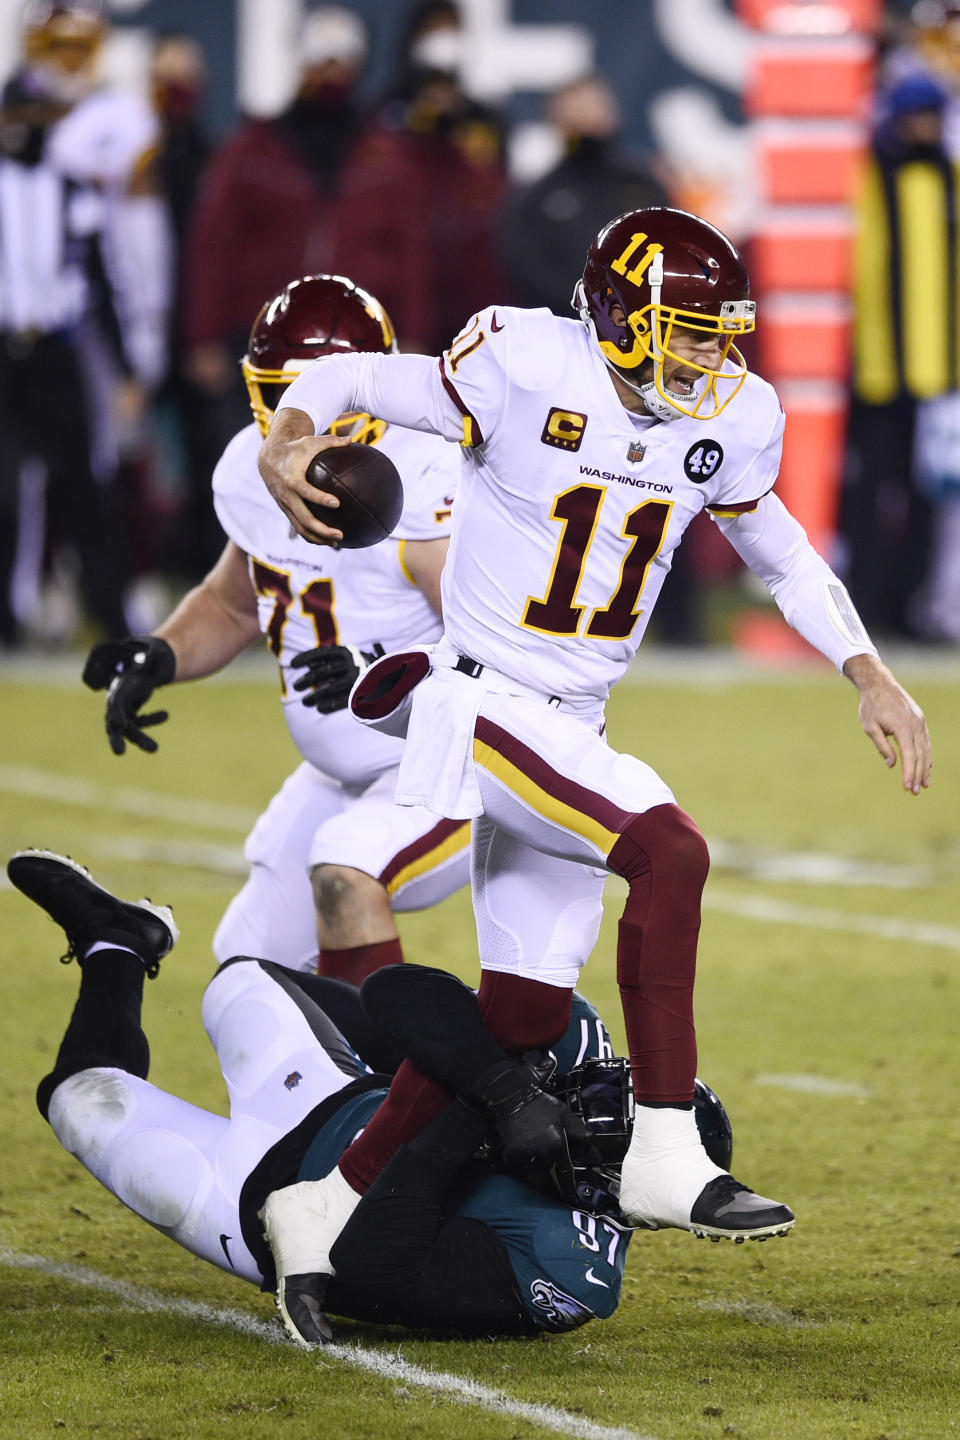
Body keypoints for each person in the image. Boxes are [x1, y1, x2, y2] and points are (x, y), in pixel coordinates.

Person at [256, 207, 932, 1277]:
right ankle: (664, 1144)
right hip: (481, 701)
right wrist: (288, 437)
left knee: (521, 1013)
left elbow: (785, 557)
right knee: (670, 849)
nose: (712, 355)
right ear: (619, 319)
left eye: (720, 333)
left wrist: (868, 669)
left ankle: (325, 1212)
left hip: (574, 721)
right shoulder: (521, 361)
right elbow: (353, 382)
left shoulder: (736, 417)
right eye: (688, 331)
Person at [7, 846, 711, 1343]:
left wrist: (471, 1110)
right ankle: (137, 929)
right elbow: (397, 994)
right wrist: (503, 1087)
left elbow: (372, 1262)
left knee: (80, 1098)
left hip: (257, 1214)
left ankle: (113, 950)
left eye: (600, 1130)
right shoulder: (576, 1044)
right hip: (331, 1097)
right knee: (238, 982)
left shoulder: (567, 1268)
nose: (580, 1105)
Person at [82, 274, 468, 983]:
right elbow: (234, 603)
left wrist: (386, 679)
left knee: (346, 872)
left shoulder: (427, 475)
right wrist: (160, 653)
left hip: (440, 767)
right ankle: (324, 1091)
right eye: (283, 397)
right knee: (248, 972)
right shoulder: (247, 469)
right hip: (332, 770)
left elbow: (498, 656)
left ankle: (381, 1090)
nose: (305, 427)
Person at [0, 0, 170, 645]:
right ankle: (11, 618)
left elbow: (102, 276)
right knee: (8, 491)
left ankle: (110, 607)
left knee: (83, 485)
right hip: (7, 345)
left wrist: (128, 362)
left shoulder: (70, 183)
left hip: (56, 346)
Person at [182, 6, 369, 456]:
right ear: (300, 59)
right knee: (251, 461)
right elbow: (214, 245)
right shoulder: (253, 148)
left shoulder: (380, 151)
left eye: (341, 60)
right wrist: (204, 335)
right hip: (261, 336)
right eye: (322, 58)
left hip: (357, 341)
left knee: (348, 471)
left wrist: (413, 331)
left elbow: (407, 250)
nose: (331, 72)